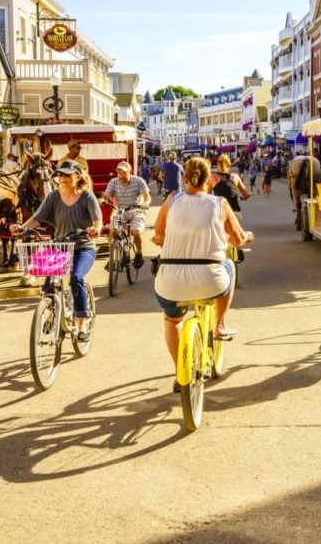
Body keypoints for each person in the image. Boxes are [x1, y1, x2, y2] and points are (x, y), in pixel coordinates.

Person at [152, 156, 254, 391]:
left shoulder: (171, 200)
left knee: (172, 319)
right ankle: (218, 325)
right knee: (228, 265)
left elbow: (158, 237)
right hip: (210, 280)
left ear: (184, 178)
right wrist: (248, 236)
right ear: (210, 180)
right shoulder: (220, 204)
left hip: (171, 282)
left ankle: (181, 371)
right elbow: (238, 240)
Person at [10, 161, 102, 341]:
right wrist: (21, 228)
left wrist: (95, 229)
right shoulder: (53, 196)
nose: (62, 178)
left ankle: (82, 321)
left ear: (77, 176)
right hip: (60, 246)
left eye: (67, 175)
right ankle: (52, 313)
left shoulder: (87, 197)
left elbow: (97, 221)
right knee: (48, 283)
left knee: (76, 278)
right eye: (60, 175)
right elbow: (36, 219)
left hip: (83, 247)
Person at [103, 160, 152, 268]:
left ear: (130, 172)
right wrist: (103, 199)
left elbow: (147, 197)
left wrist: (146, 203)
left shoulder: (139, 181)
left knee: (136, 231)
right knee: (112, 231)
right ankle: (112, 259)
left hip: (136, 210)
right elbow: (107, 194)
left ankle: (139, 254)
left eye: (124, 173)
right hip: (121, 211)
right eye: (119, 173)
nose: (121, 176)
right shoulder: (113, 182)